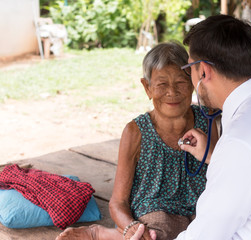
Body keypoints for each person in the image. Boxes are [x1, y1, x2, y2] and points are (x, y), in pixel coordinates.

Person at [132, 14, 251, 240]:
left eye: (189, 68)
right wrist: (214, 155)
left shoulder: (241, 140)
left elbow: (206, 234)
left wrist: (225, 154)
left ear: (203, 72)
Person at [56, 41, 218, 240]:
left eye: (181, 83)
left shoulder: (206, 121)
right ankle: (105, 233)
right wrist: (130, 226)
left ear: (192, 83)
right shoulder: (136, 131)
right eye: (161, 84)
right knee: (157, 234)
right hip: (155, 215)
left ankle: (107, 235)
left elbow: (219, 172)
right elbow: (117, 202)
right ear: (147, 87)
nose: (172, 92)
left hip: (198, 212)